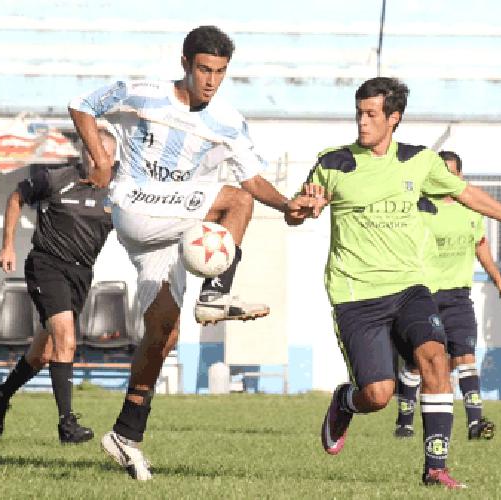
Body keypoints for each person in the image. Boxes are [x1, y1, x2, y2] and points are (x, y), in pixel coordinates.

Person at [285, 77, 501, 489]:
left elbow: (469, 195)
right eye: (359, 113)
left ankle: (436, 469)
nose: (362, 122)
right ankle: (345, 401)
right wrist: (301, 208)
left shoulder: (419, 161)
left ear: (393, 119)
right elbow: (300, 208)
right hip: (355, 294)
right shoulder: (333, 162)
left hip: (410, 287)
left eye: (372, 115)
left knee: (437, 360)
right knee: (378, 394)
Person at [67, 25, 317, 481]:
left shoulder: (227, 121)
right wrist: (101, 160)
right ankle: (217, 292)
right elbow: (83, 106)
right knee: (234, 204)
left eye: (220, 72)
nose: (211, 80)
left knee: (163, 332)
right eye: (204, 69)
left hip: (172, 229)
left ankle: (126, 433)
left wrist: (287, 206)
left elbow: (252, 177)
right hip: (136, 205)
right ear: (185, 63)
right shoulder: (143, 94)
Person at [0, 135, 117, 445]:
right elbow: (16, 197)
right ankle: (66, 424)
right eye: (93, 152)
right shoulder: (58, 179)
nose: (98, 160)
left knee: (43, 353)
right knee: (66, 341)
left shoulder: (120, 190)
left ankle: (0, 396)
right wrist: (7, 246)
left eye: (105, 155)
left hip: (81, 274)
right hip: (47, 264)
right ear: (84, 153)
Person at [392, 151, 501, 442]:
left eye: (450, 174)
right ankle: (405, 421)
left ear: (459, 177)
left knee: (465, 358)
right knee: (418, 363)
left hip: (458, 296)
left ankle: (474, 423)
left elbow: (480, 246)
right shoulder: (419, 208)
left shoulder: (471, 211)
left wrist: (498, 279)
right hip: (425, 294)